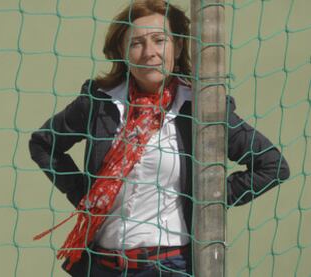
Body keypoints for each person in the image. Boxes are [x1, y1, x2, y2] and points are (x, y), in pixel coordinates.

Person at [29, 1, 290, 276]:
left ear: (177, 48)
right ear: (123, 52)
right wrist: (84, 194)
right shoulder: (99, 102)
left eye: (159, 40)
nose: (149, 52)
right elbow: (44, 144)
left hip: (168, 266)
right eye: (137, 43)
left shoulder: (201, 108)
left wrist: (206, 198)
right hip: (102, 265)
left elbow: (272, 166)